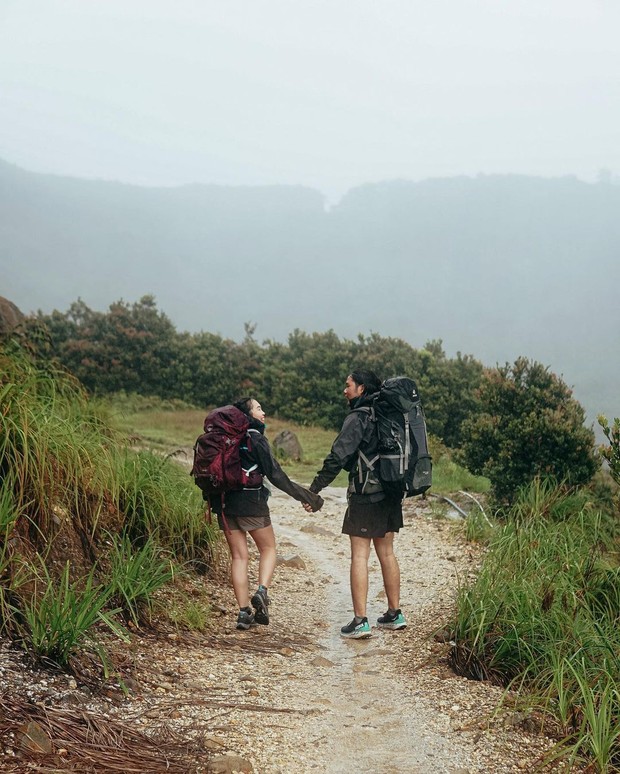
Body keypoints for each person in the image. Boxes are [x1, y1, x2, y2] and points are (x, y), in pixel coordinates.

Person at [308, 370, 406, 639]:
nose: (345, 390)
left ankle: (360, 621)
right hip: (390, 492)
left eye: (348, 385)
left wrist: (315, 488)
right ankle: (394, 614)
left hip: (365, 496)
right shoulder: (388, 415)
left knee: (360, 555)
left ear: (361, 388)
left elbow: (338, 455)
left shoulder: (358, 417)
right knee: (386, 553)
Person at [210, 396, 323, 630]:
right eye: (259, 408)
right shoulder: (255, 438)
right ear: (248, 415)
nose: (264, 413)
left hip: (224, 504)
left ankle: (243, 613)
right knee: (268, 548)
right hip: (252, 503)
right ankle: (262, 591)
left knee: (239, 557)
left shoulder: (223, 440)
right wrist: (307, 497)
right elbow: (277, 476)